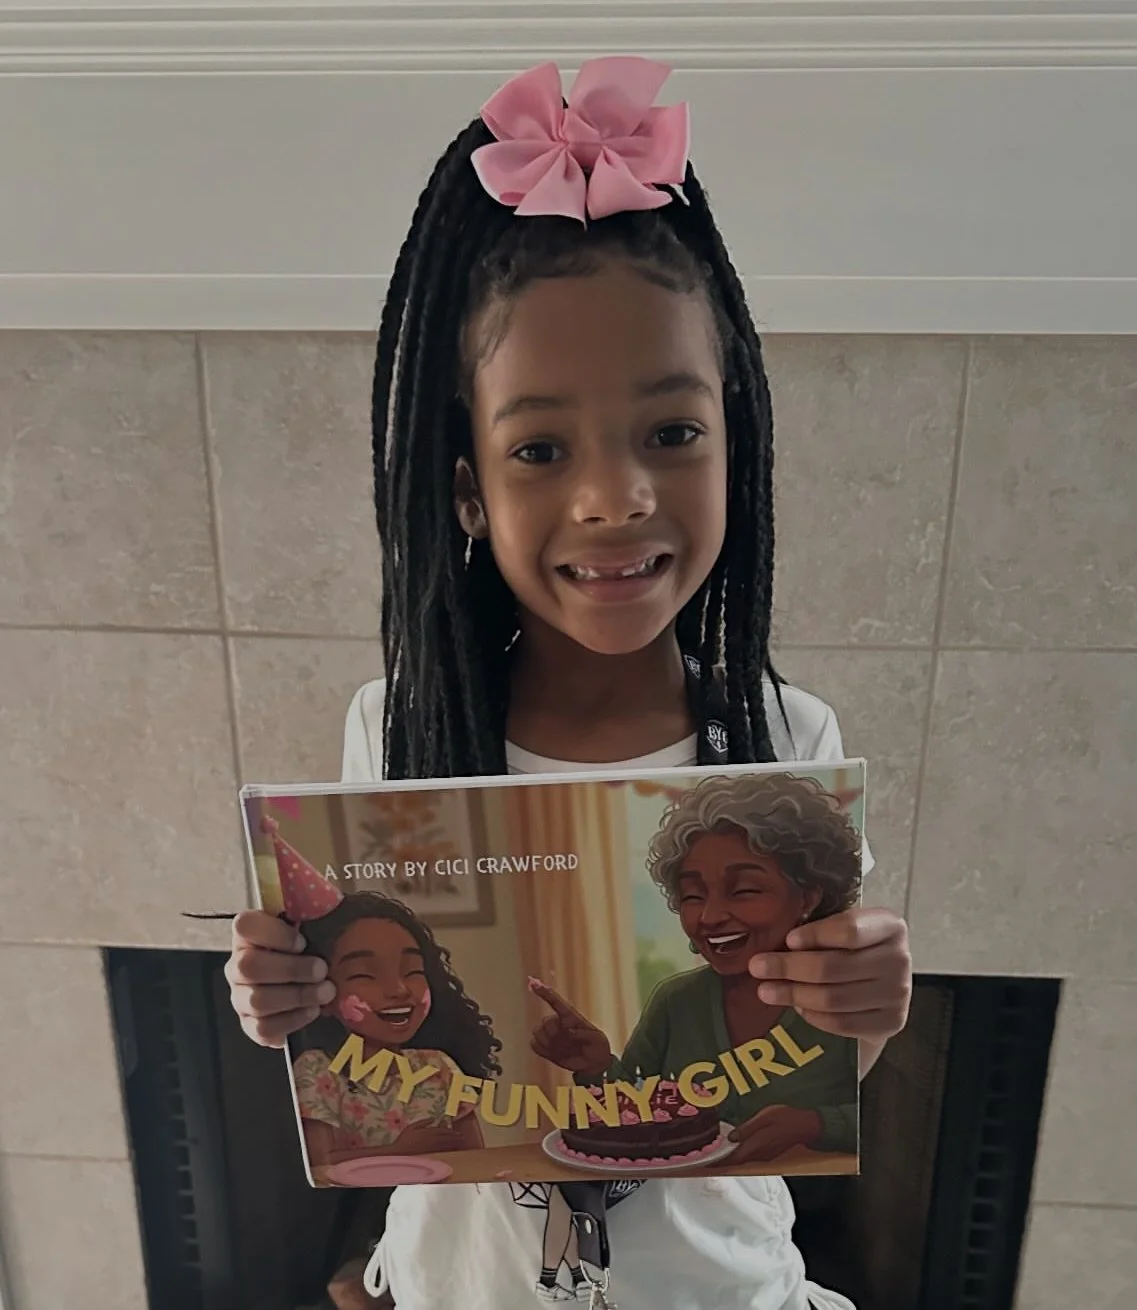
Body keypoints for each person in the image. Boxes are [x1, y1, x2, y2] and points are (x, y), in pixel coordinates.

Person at [225, 55, 912, 1310]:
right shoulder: (396, 730)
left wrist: (866, 1007)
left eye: (673, 432)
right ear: (468, 490)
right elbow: (364, 1030)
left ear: (736, 444)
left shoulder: (783, 736)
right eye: (541, 447)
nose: (615, 497)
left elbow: (814, 1071)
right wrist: (290, 996)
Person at [531, 772, 864, 1165]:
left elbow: (902, 1125)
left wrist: (816, 1124)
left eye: (744, 890)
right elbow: (640, 1115)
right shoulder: (676, 1001)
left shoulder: (853, 997)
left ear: (808, 898)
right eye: (693, 895)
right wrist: (597, 1066)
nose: (710, 916)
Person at [292, 891, 500, 1167]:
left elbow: (477, 1158)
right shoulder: (317, 1071)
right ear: (322, 994)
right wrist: (399, 1151)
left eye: (412, 971)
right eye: (365, 974)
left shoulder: (439, 1066)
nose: (399, 990)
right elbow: (319, 1165)